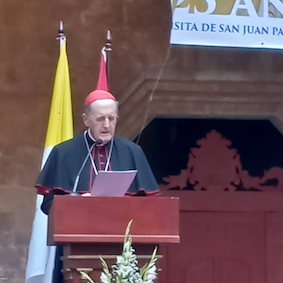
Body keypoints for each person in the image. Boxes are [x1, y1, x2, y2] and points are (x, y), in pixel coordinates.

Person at [35, 89, 160, 283]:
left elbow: (150, 205)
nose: (107, 125)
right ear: (86, 120)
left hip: (123, 250)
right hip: (76, 249)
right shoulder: (64, 153)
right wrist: (76, 203)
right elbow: (48, 204)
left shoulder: (133, 152)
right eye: (100, 119)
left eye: (112, 118)